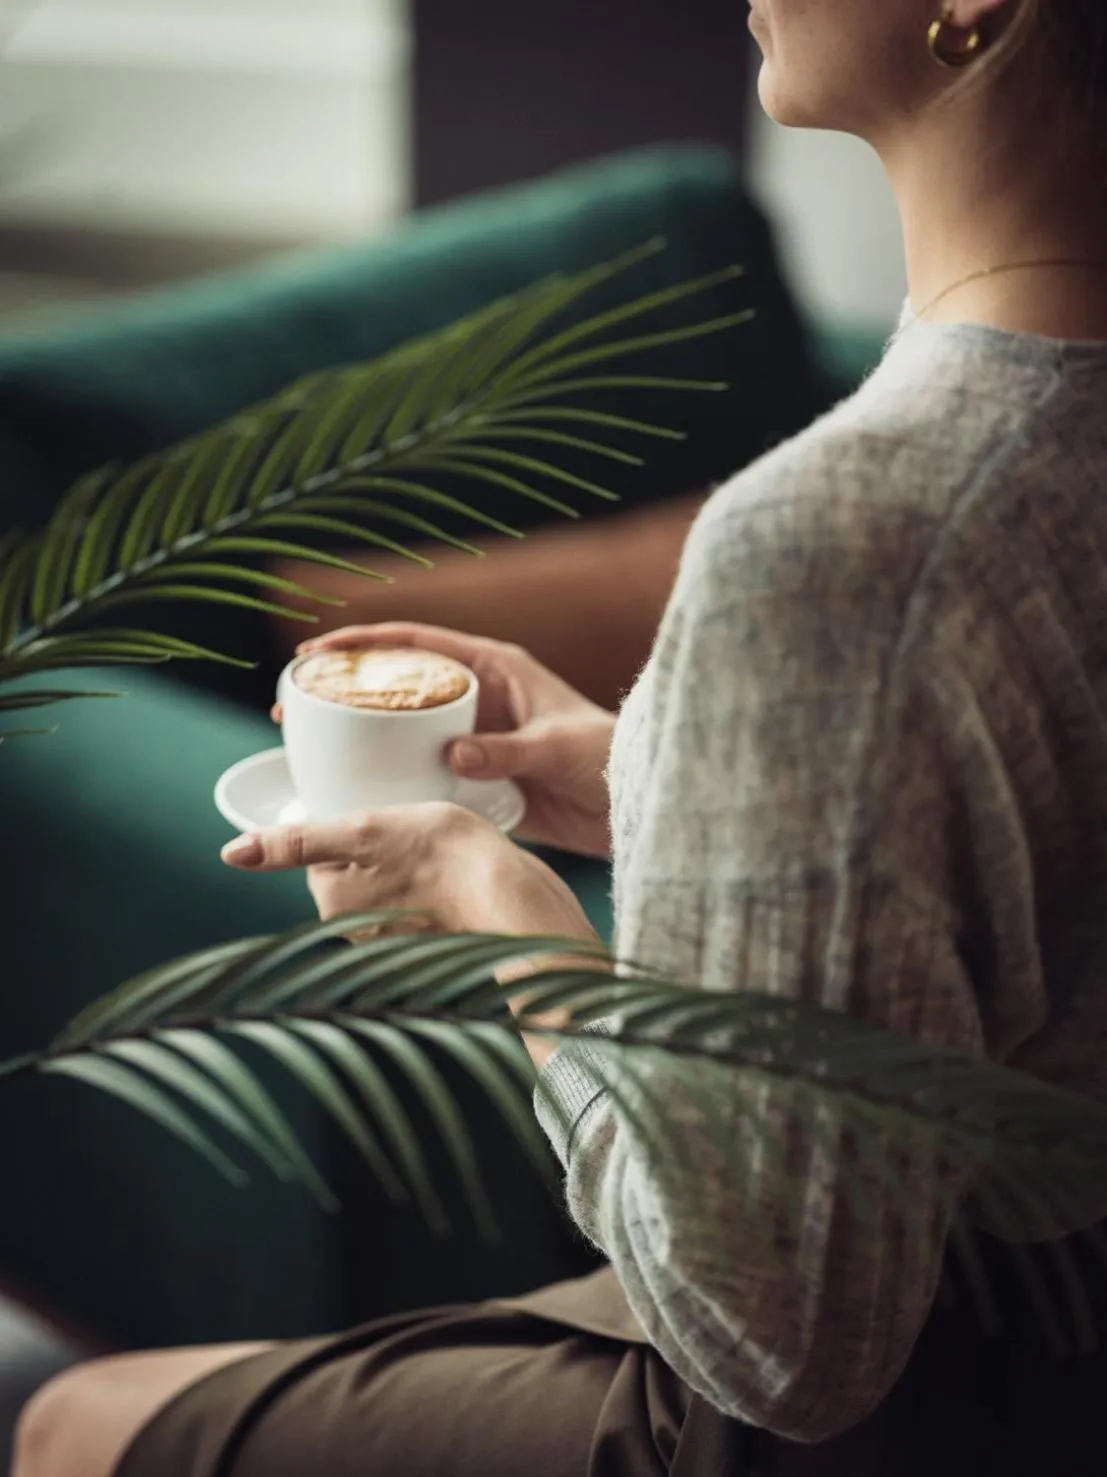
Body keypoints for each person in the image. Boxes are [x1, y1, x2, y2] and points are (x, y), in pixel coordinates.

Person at [14, 2, 1107, 1473]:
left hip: (922, 1382)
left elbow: (779, 1340)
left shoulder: (840, 544)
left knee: (75, 1423)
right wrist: (651, 774)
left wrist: (502, 923)